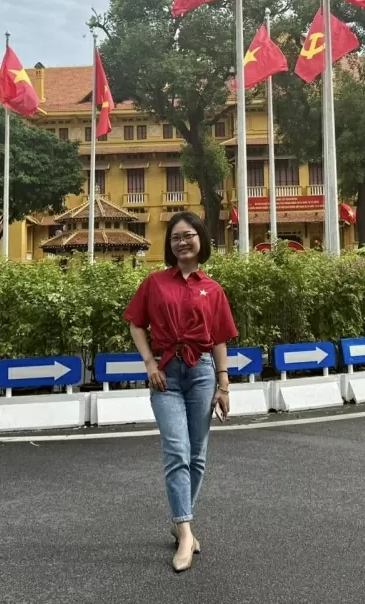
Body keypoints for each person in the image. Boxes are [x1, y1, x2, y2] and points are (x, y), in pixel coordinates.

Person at [124, 211, 238, 573]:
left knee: (198, 456)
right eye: (176, 238)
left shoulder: (212, 288)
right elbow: (136, 324)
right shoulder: (155, 283)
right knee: (177, 450)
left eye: (189, 235)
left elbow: (219, 338)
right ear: (169, 245)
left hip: (202, 373)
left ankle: (180, 521)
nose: (182, 242)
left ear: (200, 240)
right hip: (166, 375)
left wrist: (224, 385)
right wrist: (150, 364)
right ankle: (186, 532)